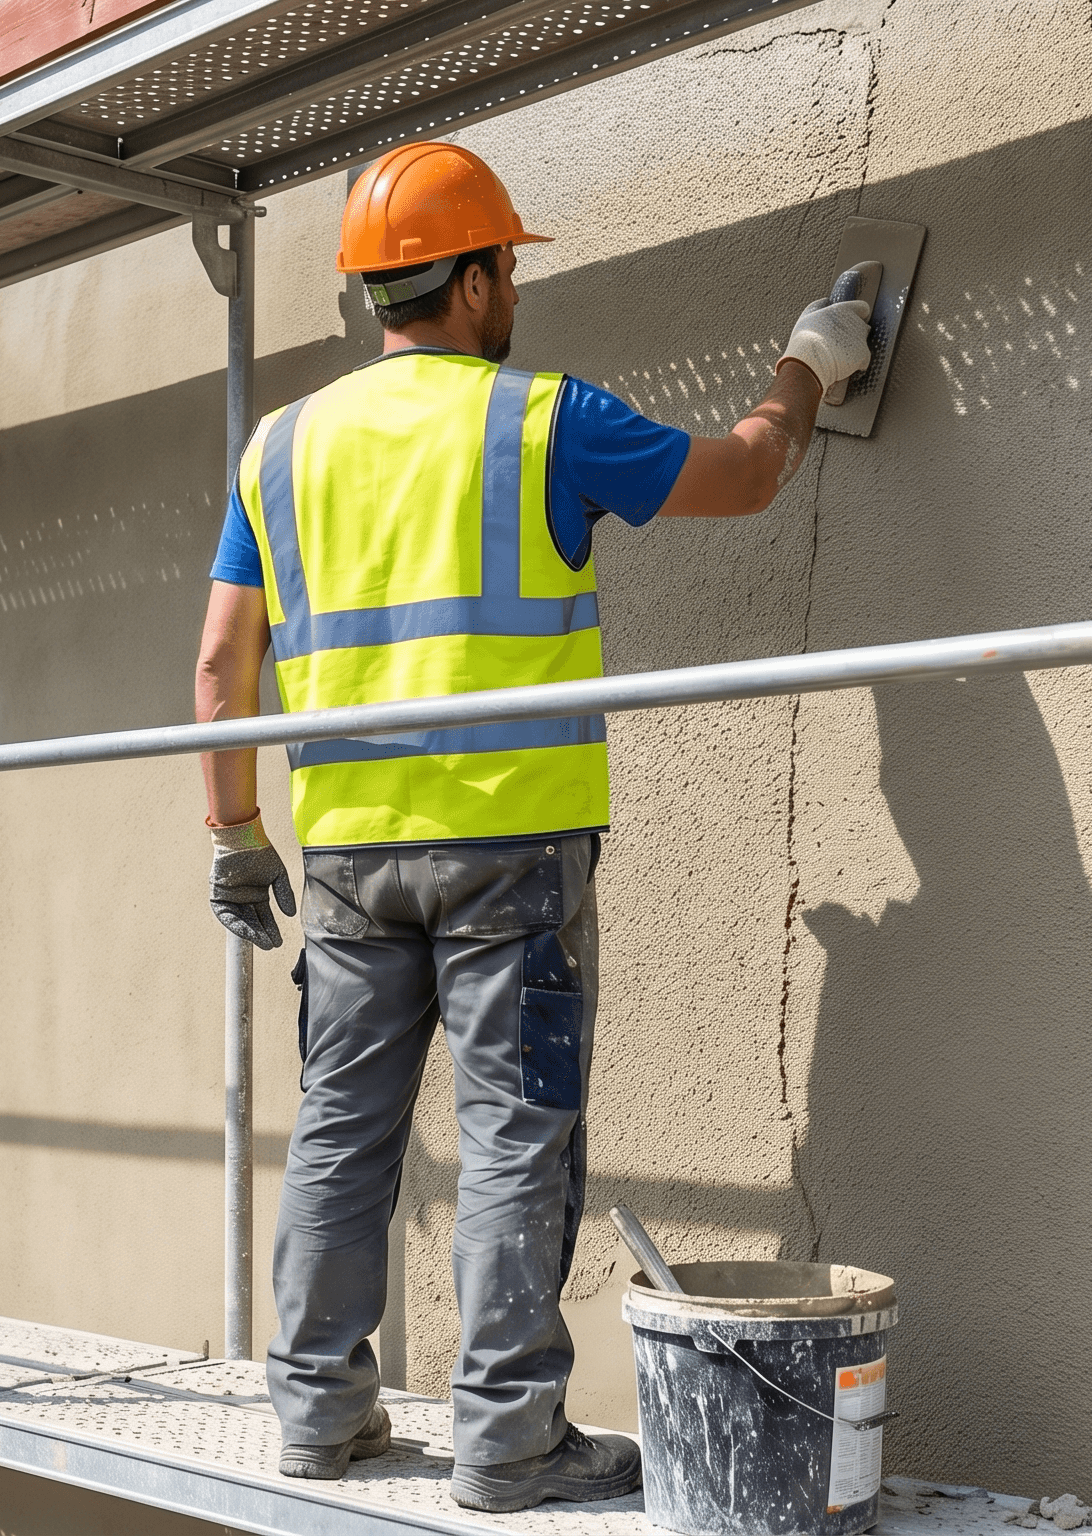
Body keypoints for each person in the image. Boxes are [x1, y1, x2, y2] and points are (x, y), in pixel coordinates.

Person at [191, 140, 872, 1513]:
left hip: (348, 857)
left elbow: (219, 664)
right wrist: (813, 363)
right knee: (514, 1138)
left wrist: (233, 834)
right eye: (510, 266)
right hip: (514, 846)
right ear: (483, 276)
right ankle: (507, 1442)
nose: (515, 289)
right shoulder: (540, 419)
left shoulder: (282, 446)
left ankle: (319, 1417)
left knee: (341, 1133)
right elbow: (742, 475)